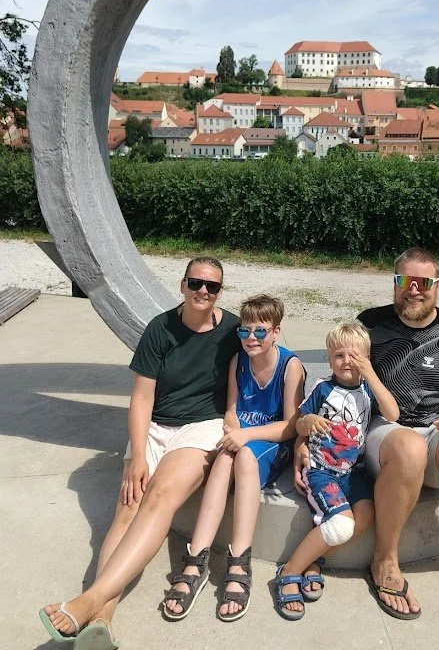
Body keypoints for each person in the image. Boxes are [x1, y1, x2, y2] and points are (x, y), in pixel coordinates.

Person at [39, 257, 240, 649]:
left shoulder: (233, 329)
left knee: (161, 497)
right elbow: (142, 396)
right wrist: (137, 458)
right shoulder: (160, 329)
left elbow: (271, 354)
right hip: (155, 424)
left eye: (212, 287)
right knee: (128, 505)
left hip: (202, 426)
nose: (203, 291)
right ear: (182, 285)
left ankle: (89, 601)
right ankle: (102, 617)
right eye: (196, 283)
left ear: (220, 292)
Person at [295, 247, 439, 619]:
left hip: (435, 429)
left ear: (438, 286)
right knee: (407, 447)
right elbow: (331, 391)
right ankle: (385, 560)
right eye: (405, 280)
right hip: (383, 432)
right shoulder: (370, 324)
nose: (414, 289)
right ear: (395, 282)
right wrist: (302, 442)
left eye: (424, 282)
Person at [163, 294, 305, 622]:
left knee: (240, 457)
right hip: (241, 439)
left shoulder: (290, 366)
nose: (251, 339)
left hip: (269, 442)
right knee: (225, 458)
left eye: (260, 331)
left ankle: (239, 558)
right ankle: (196, 558)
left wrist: (245, 436)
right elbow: (231, 408)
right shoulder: (237, 362)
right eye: (244, 332)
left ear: (275, 332)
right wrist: (232, 428)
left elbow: (290, 426)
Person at [275, 321, 399, 620]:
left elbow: (393, 413)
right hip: (322, 470)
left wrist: (370, 374)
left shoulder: (369, 389)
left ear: (367, 359)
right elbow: (299, 424)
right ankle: (289, 571)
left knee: (366, 517)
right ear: (329, 359)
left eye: (355, 356)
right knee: (342, 525)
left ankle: (315, 561)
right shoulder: (323, 388)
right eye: (339, 355)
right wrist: (309, 424)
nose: (347, 362)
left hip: (353, 471)